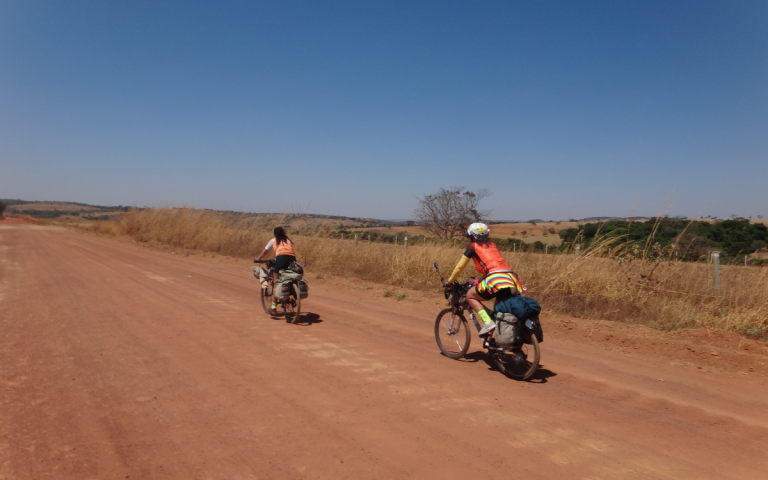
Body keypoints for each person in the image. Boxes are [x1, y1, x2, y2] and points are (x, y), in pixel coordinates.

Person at [445, 222, 526, 336]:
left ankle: (488, 323)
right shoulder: (492, 245)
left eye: (469, 236)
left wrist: (450, 281)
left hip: (495, 279)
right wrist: (482, 280)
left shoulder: (473, 246)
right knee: (498, 313)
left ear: (473, 236)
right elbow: (493, 267)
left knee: (470, 296)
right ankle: (497, 343)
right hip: (510, 278)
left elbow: (460, 266)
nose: (469, 238)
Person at [256, 226, 297, 313]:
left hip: (281, 259)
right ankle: (293, 292)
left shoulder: (273, 240)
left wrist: (258, 259)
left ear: (275, 234)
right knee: (290, 277)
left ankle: (273, 307)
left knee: (275, 284)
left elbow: (265, 251)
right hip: (292, 260)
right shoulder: (288, 240)